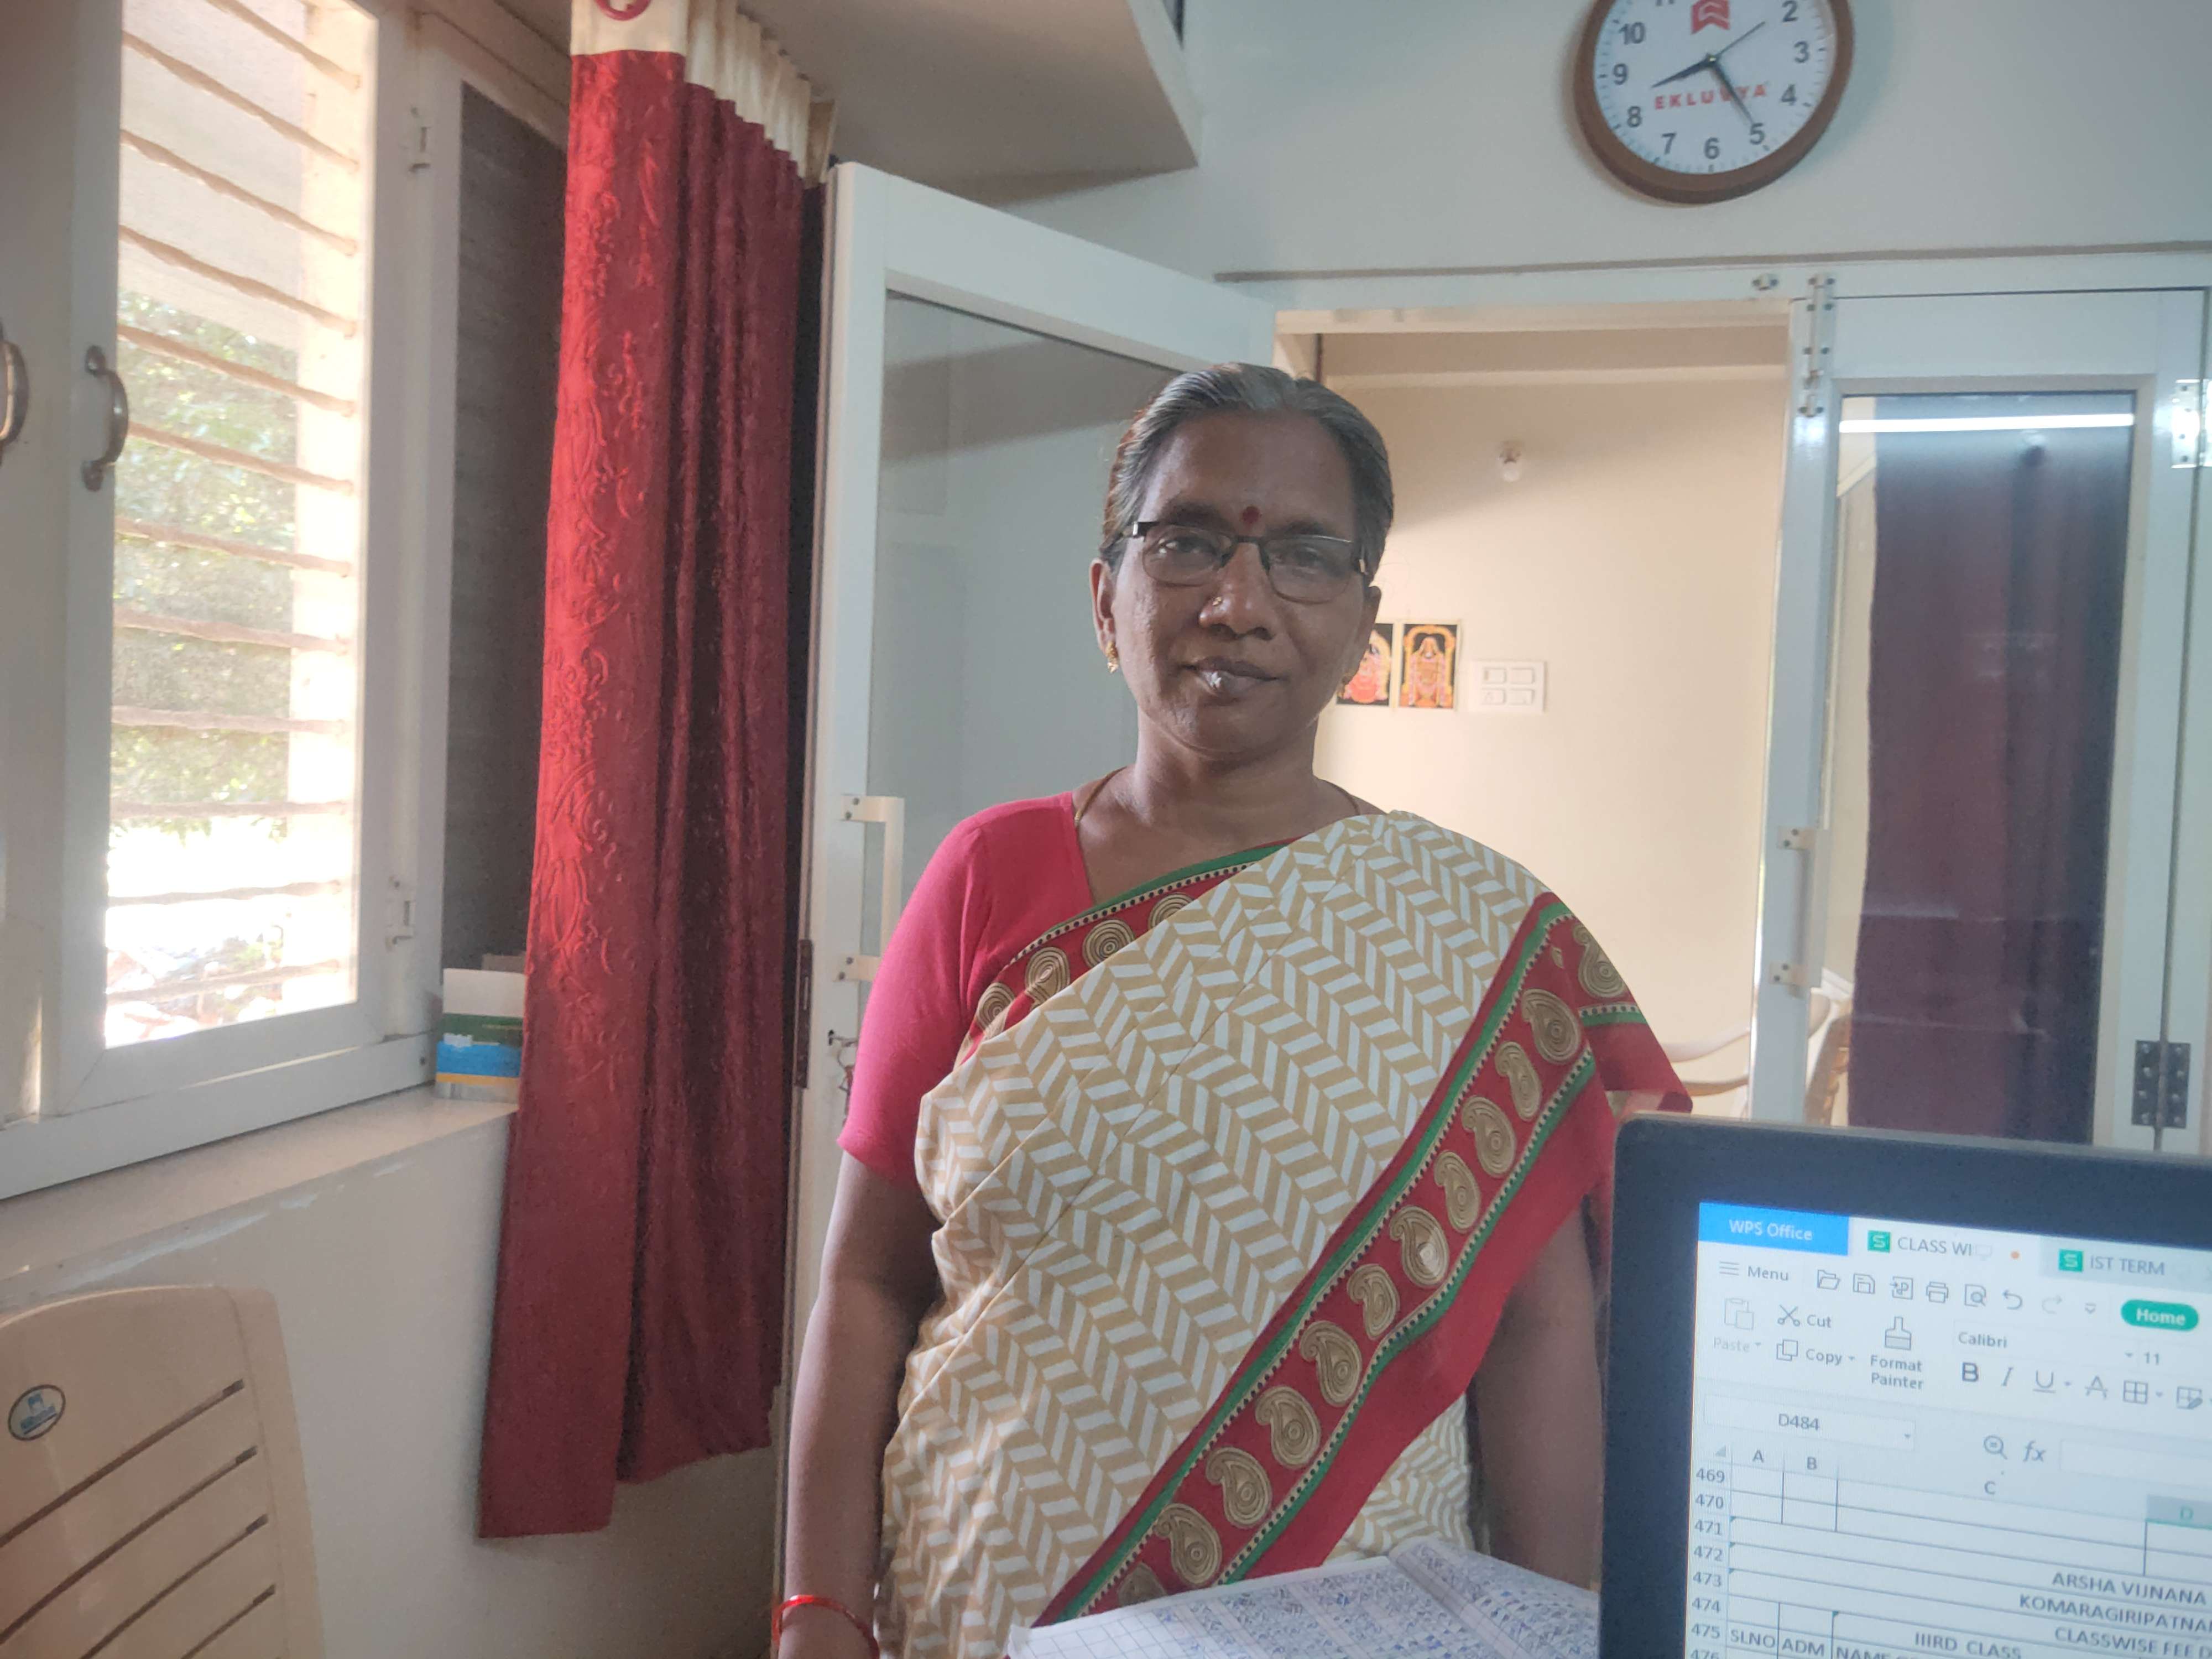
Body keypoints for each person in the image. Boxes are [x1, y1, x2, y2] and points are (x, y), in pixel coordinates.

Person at [777, 366, 1686, 1659]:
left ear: (1362, 625)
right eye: (1188, 542)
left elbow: (1536, 1333)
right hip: (981, 1601)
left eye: (1302, 556)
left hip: (1344, 1626)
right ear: (1106, 598)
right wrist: (816, 1610)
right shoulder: (986, 876)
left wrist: (1550, 1629)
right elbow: (868, 1282)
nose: (1236, 604)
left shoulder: (1476, 933)